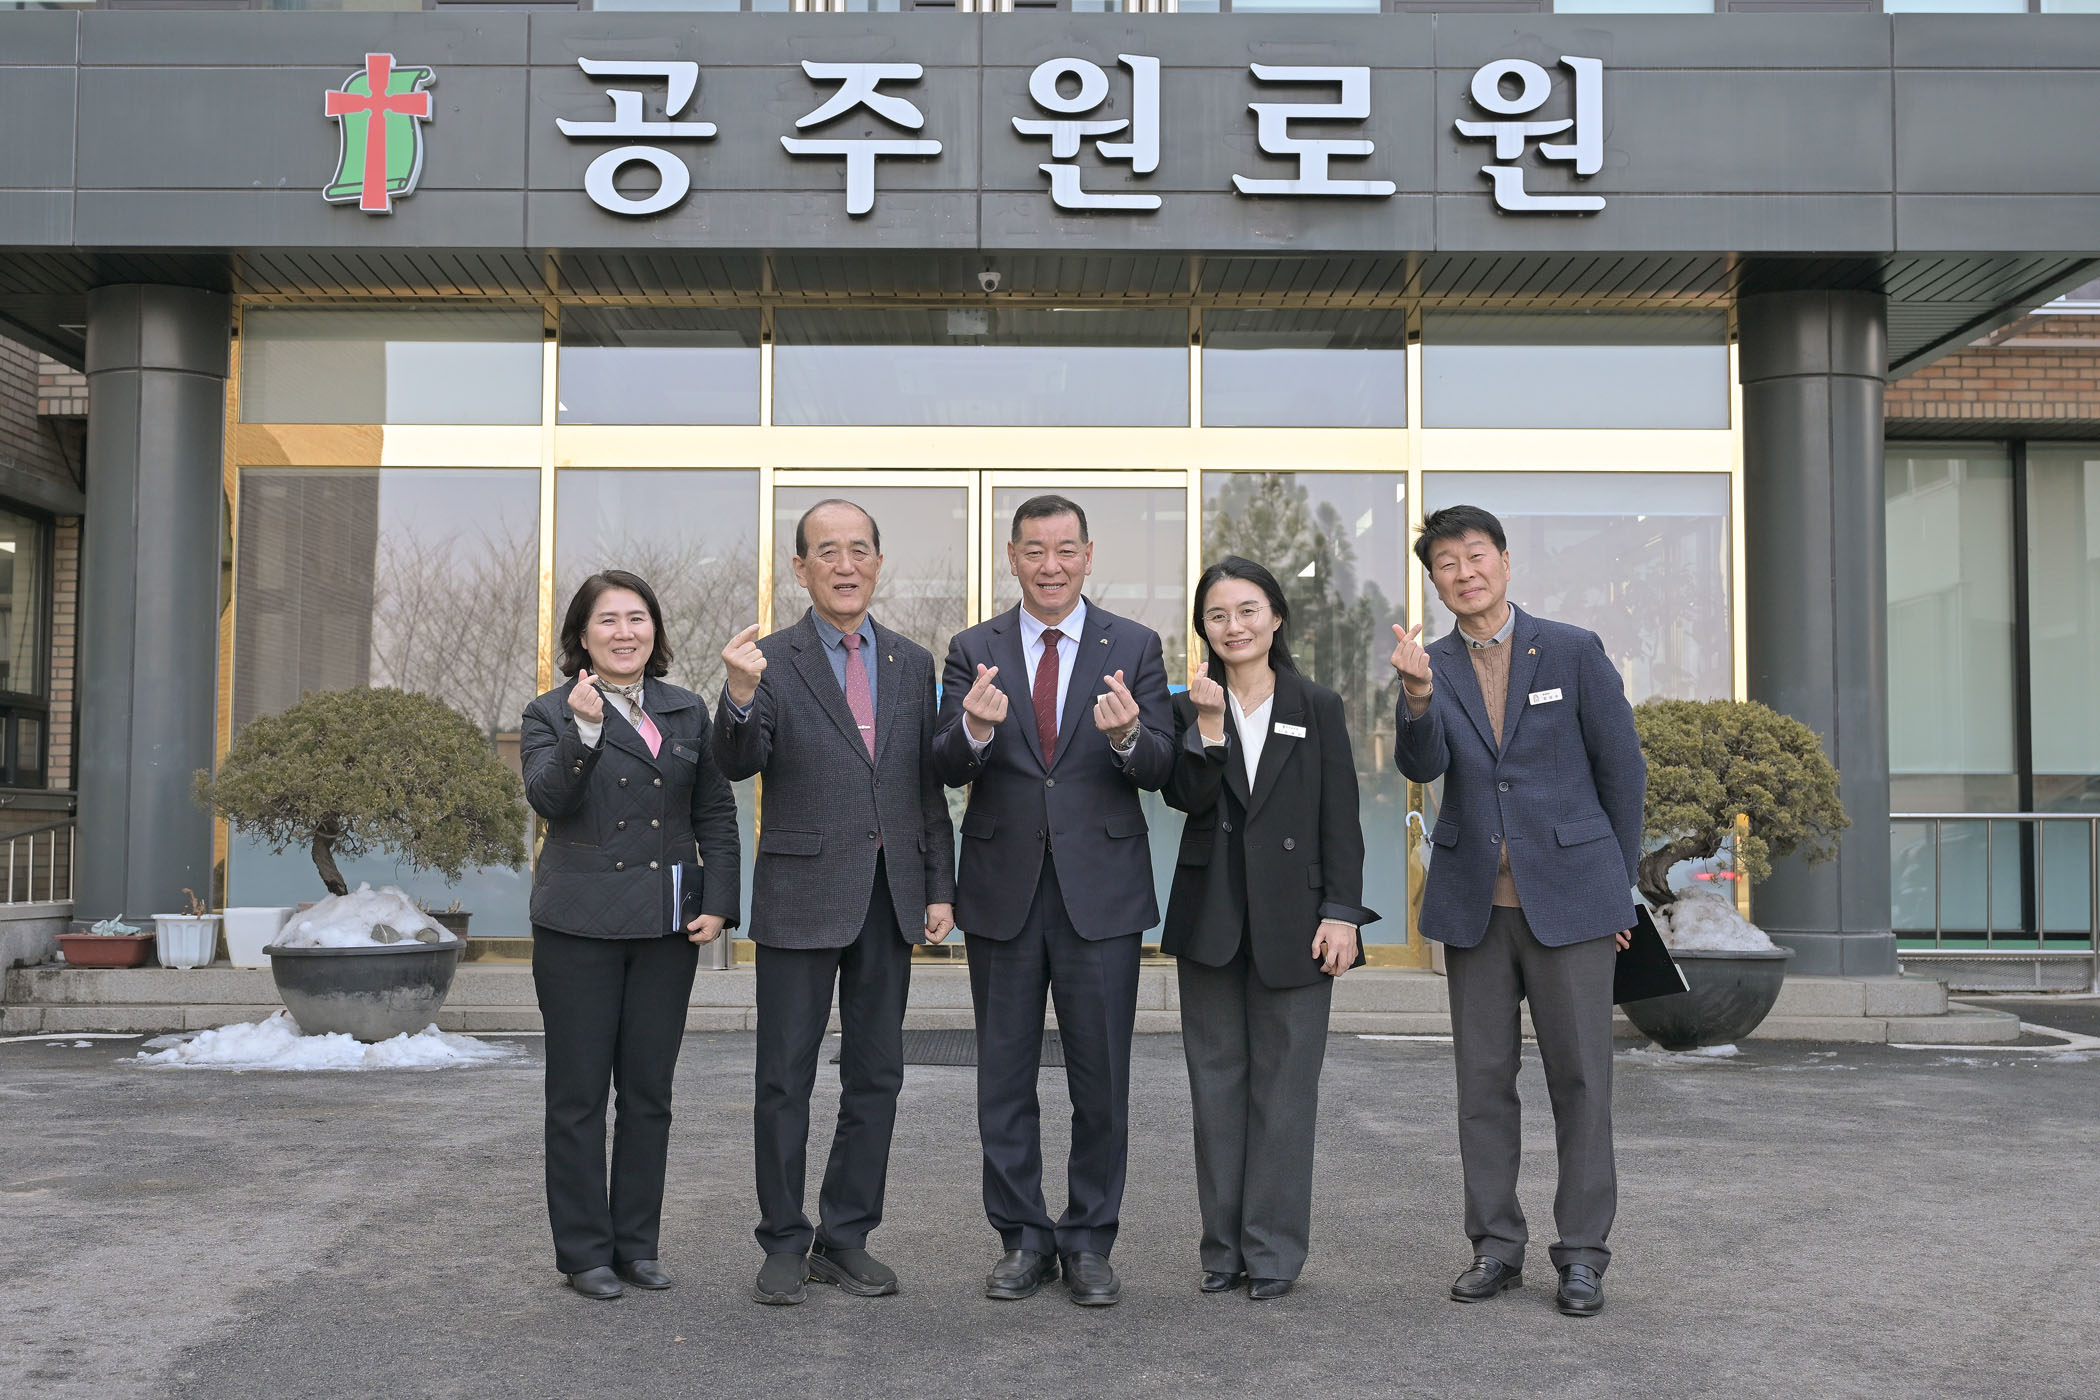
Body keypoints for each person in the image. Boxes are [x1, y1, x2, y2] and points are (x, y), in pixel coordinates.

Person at [1391, 505, 1645, 1319]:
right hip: (1476, 904)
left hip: (1572, 900)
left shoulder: (1571, 649)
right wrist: (1417, 697)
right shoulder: (1428, 664)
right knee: (1482, 1085)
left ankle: (1583, 1255)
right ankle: (1495, 1246)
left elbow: (1622, 772)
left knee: (1582, 1081)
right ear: (1435, 584)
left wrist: (1617, 890)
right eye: (1446, 565)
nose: (1464, 573)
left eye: (1476, 556)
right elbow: (1420, 766)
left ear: (1503, 560)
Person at [932, 494, 1175, 1308]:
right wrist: (972, 730)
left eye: (1065, 550)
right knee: (1003, 1078)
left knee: (1100, 1080)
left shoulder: (1133, 646)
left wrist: (1128, 738)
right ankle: (1022, 1239)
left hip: (1099, 893)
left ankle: (1090, 1240)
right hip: (1002, 889)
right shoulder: (974, 649)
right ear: (1012, 558)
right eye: (1034, 550)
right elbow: (944, 763)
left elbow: (1163, 765)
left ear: (1088, 556)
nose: (1050, 565)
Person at [713, 499, 957, 1308]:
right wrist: (738, 694)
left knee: (876, 1076)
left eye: (858, 550)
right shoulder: (768, 661)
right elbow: (739, 760)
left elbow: (925, 788)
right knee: (784, 1079)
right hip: (800, 893)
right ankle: (784, 1241)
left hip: (890, 895)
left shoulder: (911, 662)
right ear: (801, 568)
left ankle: (845, 1236)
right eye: (827, 551)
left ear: (878, 562)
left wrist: (939, 887)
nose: (844, 565)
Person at [1160, 557, 1379, 1301]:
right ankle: (1223, 1249)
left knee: (1285, 1093)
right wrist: (1208, 726)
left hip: (1298, 920)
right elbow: (1185, 796)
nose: (1235, 626)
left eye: (1248, 610)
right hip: (1212, 917)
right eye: (1217, 615)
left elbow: (1340, 815)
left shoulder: (1315, 703)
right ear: (1204, 628)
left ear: (1276, 616)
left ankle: (1275, 1251)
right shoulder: (1188, 705)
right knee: (1215, 1086)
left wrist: (1343, 912)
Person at [520, 569, 741, 1301]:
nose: (625, 633)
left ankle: (637, 1245)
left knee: (649, 1093)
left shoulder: (686, 710)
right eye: (608, 620)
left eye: (637, 618)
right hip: (576, 926)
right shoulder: (550, 711)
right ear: (582, 637)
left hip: (664, 925)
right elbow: (549, 798)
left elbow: (714, 811)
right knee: (578, 1096)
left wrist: (719, 900)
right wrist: (584, 732)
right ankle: (584, 1252)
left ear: (655, 630)